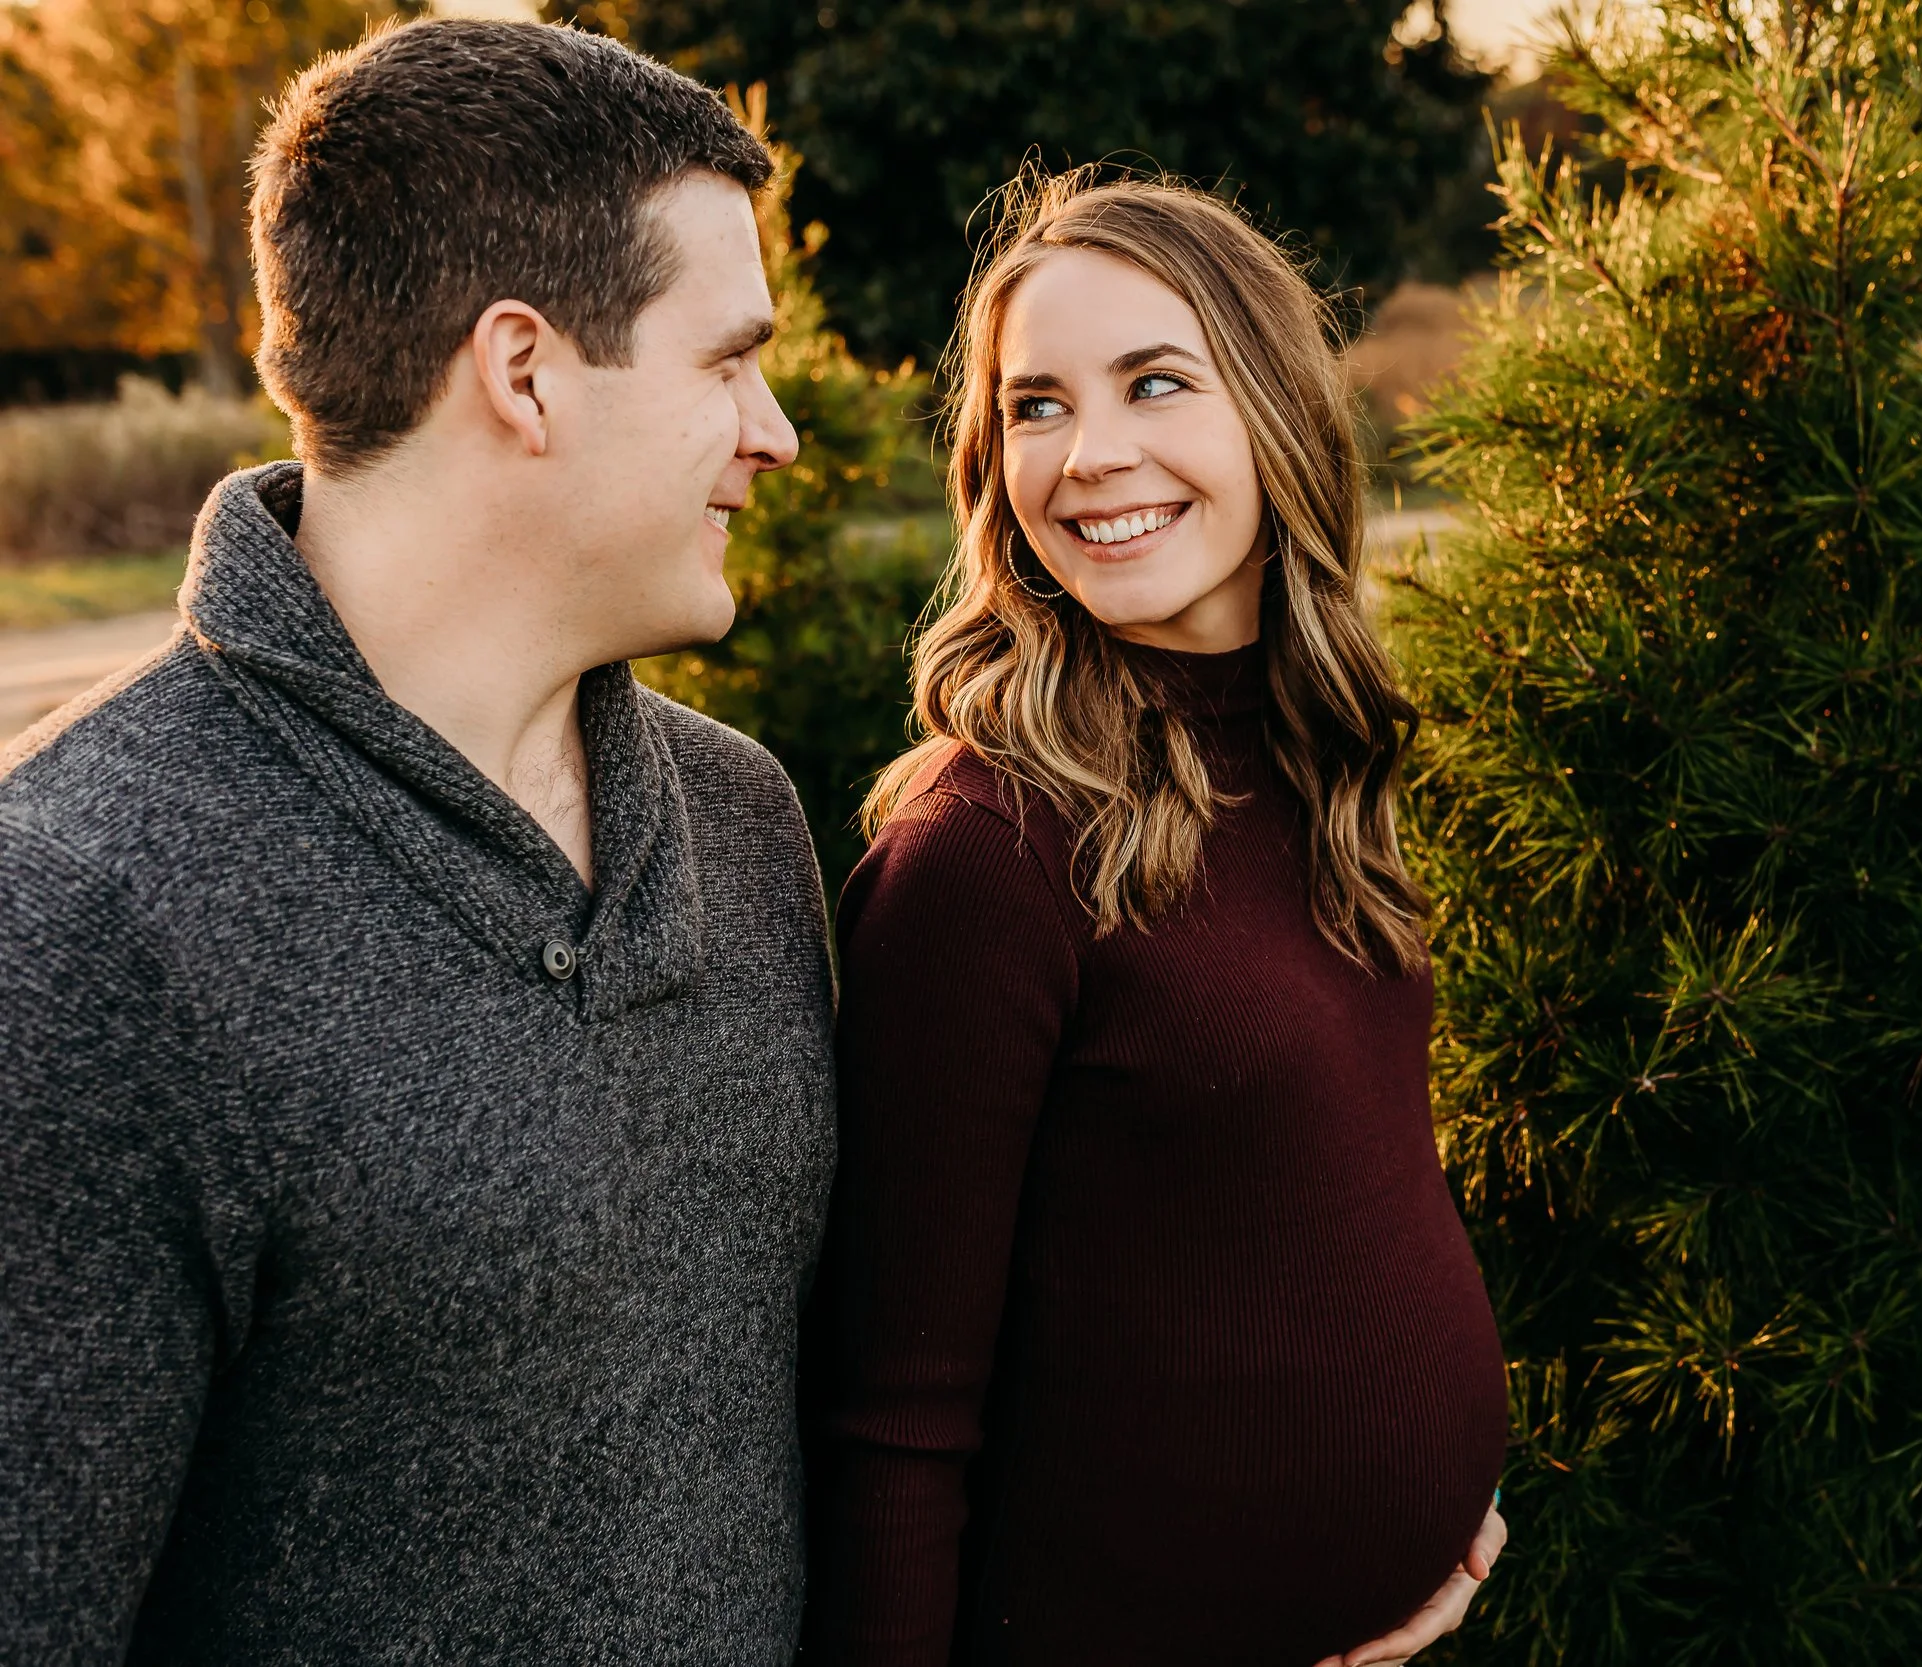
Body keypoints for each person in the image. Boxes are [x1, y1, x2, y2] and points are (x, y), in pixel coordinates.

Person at [0, 21, 836, 1664]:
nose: (777, 431)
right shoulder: (76, 919)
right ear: (522, 370)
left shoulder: (743, 825)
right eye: (728, 362)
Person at [805, 171, 1510, 1667]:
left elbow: (1323, 1184)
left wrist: (1439, 1479)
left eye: (1155, 383)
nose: (1088, 455)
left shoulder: (1318, 759)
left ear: (1275, 409)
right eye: (1035, 406)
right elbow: (894, 1422)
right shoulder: (988, 855)